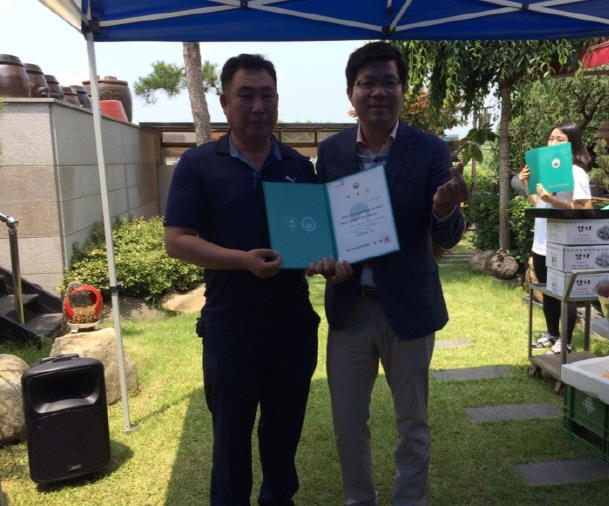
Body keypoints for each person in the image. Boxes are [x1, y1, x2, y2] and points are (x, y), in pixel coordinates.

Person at [311, 42, 469, 506]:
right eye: (367, 83)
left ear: (402, 90)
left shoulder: (430, 149)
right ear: (351, 92)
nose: (378, 91)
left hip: (409, 309)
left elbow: (448, 235)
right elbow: (325, 225)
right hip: (350, 310)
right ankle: (359, 500)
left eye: (389, 82)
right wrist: (325, 260)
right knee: (347, 423)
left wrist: (444, 208)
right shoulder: (332, 151)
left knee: (412, 424)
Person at [164, 54, 322, 506]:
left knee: (283, 437)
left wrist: (323, 261)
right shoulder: (198, 164)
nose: (257, 106)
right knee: (230, 442)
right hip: (230, 329)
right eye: (246, 95)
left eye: (266, 95)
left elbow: (311, 241)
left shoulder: (299, 166)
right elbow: (176, 241)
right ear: (224, 102)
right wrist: (241, 261)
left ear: (277, 100)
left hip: (293, 327)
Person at [519, 121, 592, 355]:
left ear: (572, 144)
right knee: (547, 290)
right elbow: (539, 205)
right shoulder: (545, 172)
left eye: (560, 139)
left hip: (564, 245)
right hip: (541, 242)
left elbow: (584, 209)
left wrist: (554, 201)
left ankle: (566, 342)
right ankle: (552, 334)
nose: (552, 143)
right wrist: (526, 185)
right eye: (551, 138)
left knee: (564, 293)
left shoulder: (576, 172)